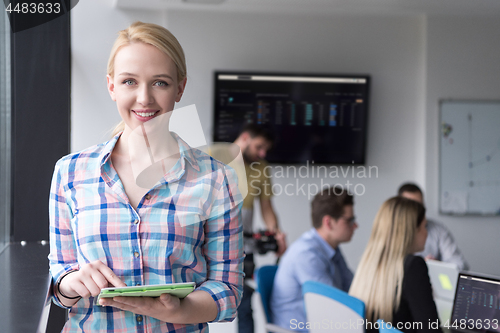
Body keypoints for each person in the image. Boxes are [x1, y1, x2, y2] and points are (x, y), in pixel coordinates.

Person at [48, 21, 244, 332]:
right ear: (111, 86)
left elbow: (228, 293)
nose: (144, 99)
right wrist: (72, 282)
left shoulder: (217, 180)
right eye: (129, 82)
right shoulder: (70, 173)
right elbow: (60, 281)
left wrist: (176, 311)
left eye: (160, 83)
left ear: (180, 88)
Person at [270, 186, 357, 332]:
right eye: (350, 220)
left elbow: (352, 288)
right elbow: (335, 307)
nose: (355, 225)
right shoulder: (307, 255)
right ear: (328, 222)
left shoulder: (331, 248)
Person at [349, 197, 442, 333]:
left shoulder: (369, 262)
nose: (427, 233)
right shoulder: (413, 266)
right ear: (410, 231)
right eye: (424, 227)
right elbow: (431, 330)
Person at [232, 124, 287, 333]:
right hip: (209, 246)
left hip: (244, 249)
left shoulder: (261, 167)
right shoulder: (215, 159)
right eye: (259, 147)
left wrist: (277, 233)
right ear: (245, 137)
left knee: (245, 305)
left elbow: (266, 207)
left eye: (266, 149)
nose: (263, 153)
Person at [398, 183, 469, 270]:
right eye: (411, 207)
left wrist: (437, 266)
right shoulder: (392, 235)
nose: (417, 211)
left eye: (420, 206)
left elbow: (460, 265)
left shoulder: (437, 230)